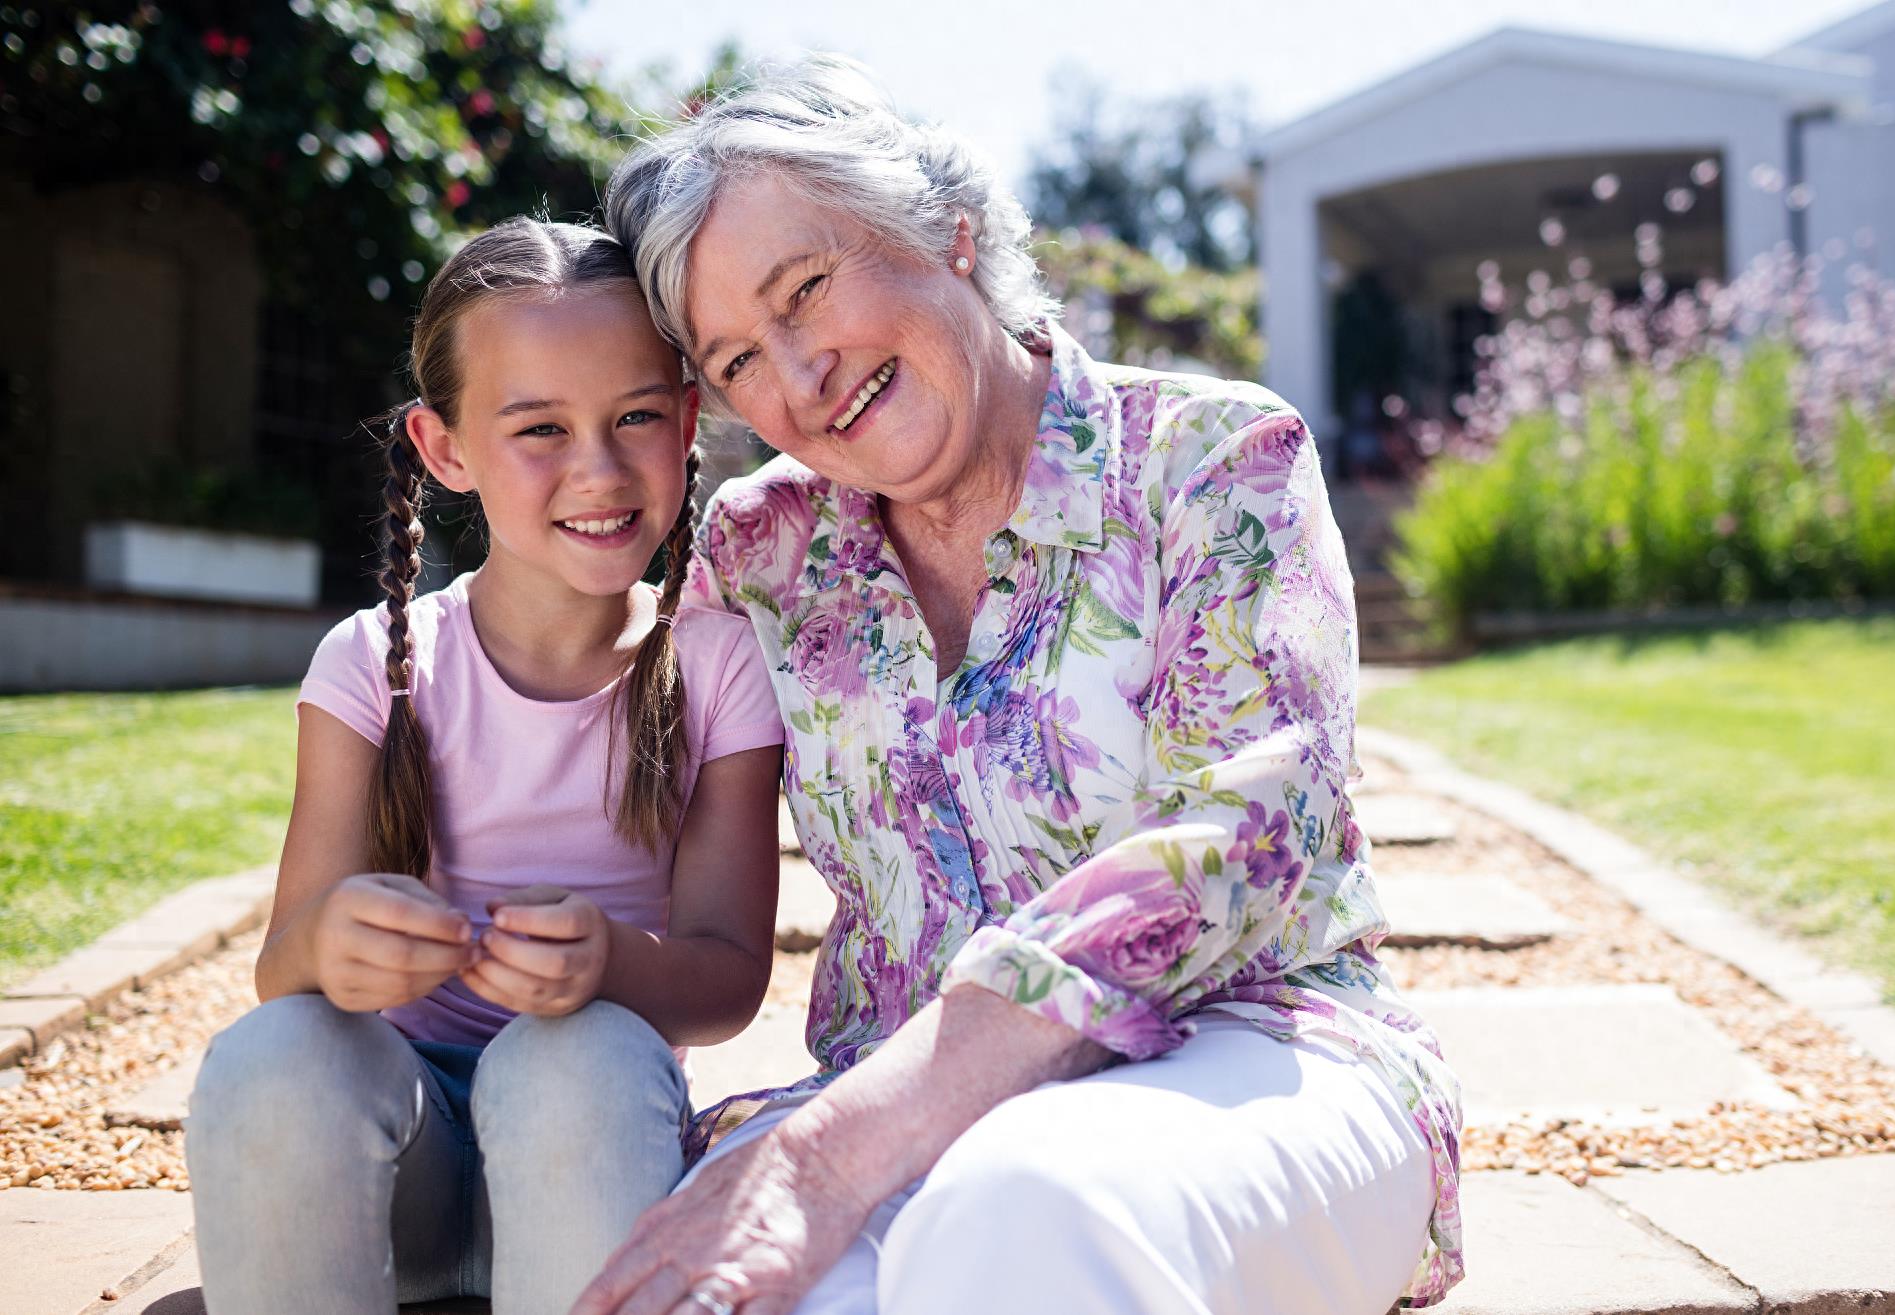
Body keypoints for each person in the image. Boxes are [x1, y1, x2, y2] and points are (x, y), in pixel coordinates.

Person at [578, 58, 1465, 1315]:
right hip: (893, 1117)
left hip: (1252, 1054)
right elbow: (629, 815)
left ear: (946, 227)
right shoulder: (757, 548)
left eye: (808, 289)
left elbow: (1245, 833)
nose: (799, 374)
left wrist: (832, 1150)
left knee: (1028, 1207)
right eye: (734, 362)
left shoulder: (1210, 459)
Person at [183, 218, 788, 1315]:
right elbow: (284, 963)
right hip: (395, 1170)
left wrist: (607, 961)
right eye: (539, 428)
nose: (597, 468)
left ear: (687, 421)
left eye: (636, 416)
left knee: (579, 1054)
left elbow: (730, 976)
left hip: (585, 1155)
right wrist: (334, 940)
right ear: (445, 447)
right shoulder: (373, 662)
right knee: (273, 1051)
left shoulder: (719, 665)